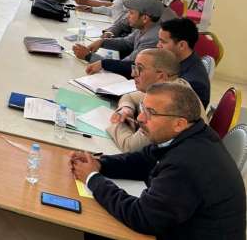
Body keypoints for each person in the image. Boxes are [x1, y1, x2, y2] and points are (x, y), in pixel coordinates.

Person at [70, 83, 245, 239]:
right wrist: (101, 164)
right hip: (179, 226)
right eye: (142, 108)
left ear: (179, 123)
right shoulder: (190, 132)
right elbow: (143, 160)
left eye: (150, 113)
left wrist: (93, 179)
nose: (140, 118)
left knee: (92, 224)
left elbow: (142, 217)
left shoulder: (187, 163)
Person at [108, 48, 205, 152]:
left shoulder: (167, 102)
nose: (133, 74)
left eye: (140, 69)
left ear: (161, 76)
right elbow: (129, 97)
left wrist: (117, 122)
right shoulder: (169, 87)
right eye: (134, 67)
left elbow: (130, 146)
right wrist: (126, 109)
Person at [73, 0, 164, 78]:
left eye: (131, 13)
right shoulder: (144, 27)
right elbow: (126, 42)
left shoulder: (152, 38)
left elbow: (125, 66)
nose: (128, 16)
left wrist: (88, 56)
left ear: (145, 18)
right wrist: (102, 42)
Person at [157, 18, 211, 109]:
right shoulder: (182, 61)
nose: (158, 45)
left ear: (182, 45)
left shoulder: (192, 82)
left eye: (163, 42)